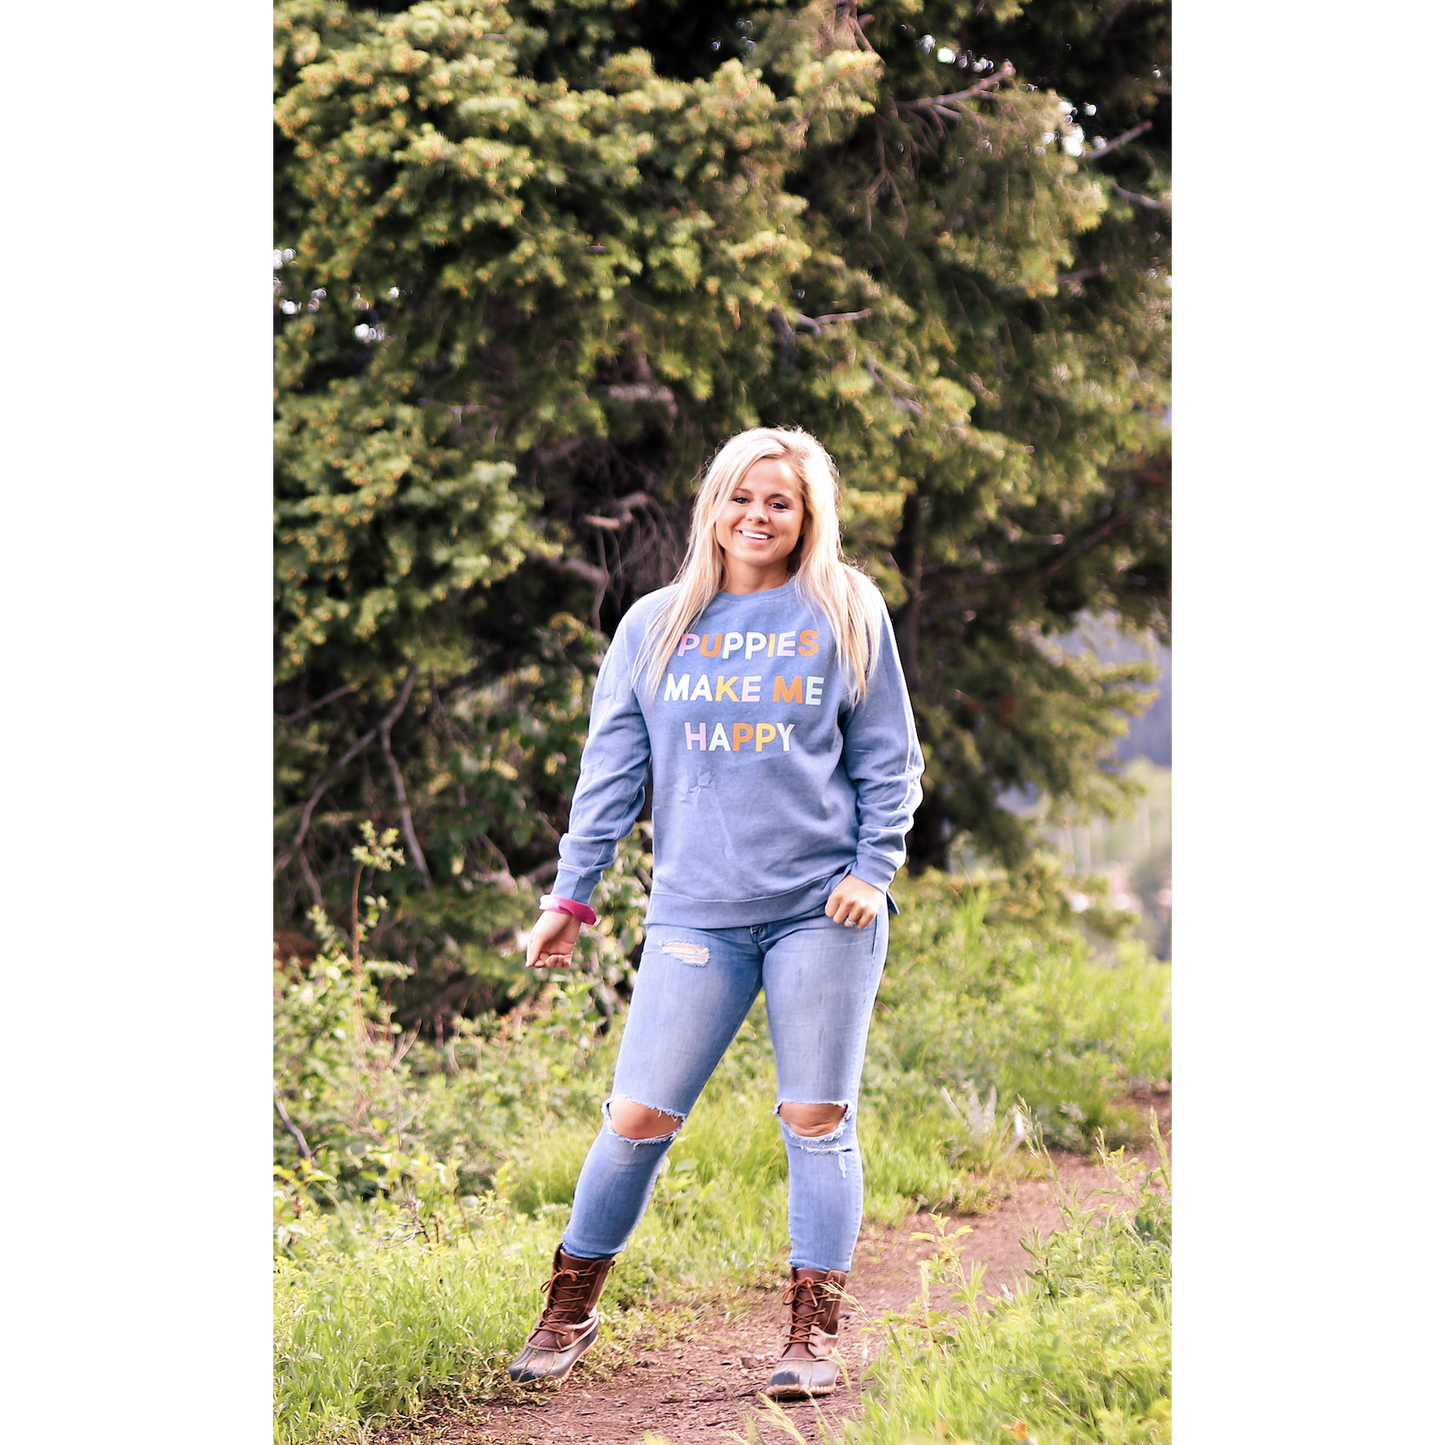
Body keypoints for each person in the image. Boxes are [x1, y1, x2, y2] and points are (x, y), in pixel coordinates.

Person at [507, 426, 924, 1398]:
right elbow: (609, 774)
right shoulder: (655, 624)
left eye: (779, 500)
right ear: (714, 505)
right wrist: (571, 895)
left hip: (821, 909)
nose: (757, 515)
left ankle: (810, 1336)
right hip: (694, 913)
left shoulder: (844, 608)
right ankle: (568, 1309)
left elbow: (888, 756)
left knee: (815, 1116)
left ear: (807, 515)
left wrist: (873, 869)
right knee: (637, 1114)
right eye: (741, 496)